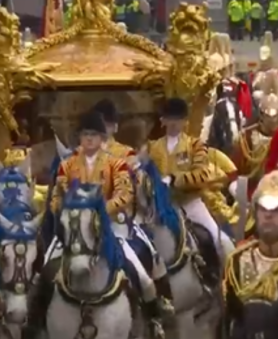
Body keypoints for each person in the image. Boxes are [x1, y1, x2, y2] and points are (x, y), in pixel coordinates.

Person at [40, 111, 168, 338]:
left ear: (102, 138)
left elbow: (124, 194)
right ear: (79, 137)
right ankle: (36, 321)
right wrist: (67, 212)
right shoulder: (67, 166)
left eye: (94, 135)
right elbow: (56, 197)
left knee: (142, 273)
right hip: (74, 228)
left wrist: (98, 212)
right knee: (44, 269)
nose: (89, 139)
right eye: (85, 134)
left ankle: (153, 318)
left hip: (111, 227)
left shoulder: (115, 163)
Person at [148, 98, 235, 287]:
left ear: (184, 122)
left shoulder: (195, 146)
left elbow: (202, 173)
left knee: (222, 242)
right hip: (162, 208)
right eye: (169, 119)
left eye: (177, 119)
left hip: (191, 205)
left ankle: (223, 282)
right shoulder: (152, 148)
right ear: (163, 121)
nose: (172, 123)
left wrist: (176, 179)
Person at [223, 170, 278, 338]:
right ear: (255, 212)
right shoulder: (236, 262)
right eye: (263, 208)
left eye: (276, 209)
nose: (268, 214)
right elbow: (228, 321)